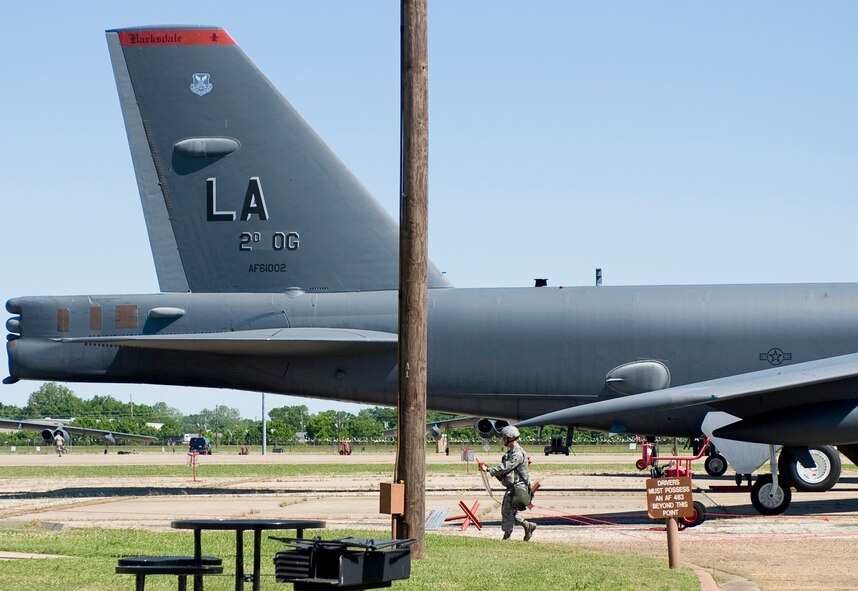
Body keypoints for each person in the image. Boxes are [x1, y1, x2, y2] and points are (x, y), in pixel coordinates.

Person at [478, 425, 537, 541]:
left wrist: (489, 470)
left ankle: (507, 537)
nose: (503, 440)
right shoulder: (511, 453)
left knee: (506, 512)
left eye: (504, 438)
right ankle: (527, 526)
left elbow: (506, 467)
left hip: (518, 489)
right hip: (513, 488)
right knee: (509, 512)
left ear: (510, 438)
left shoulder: (517, 454)